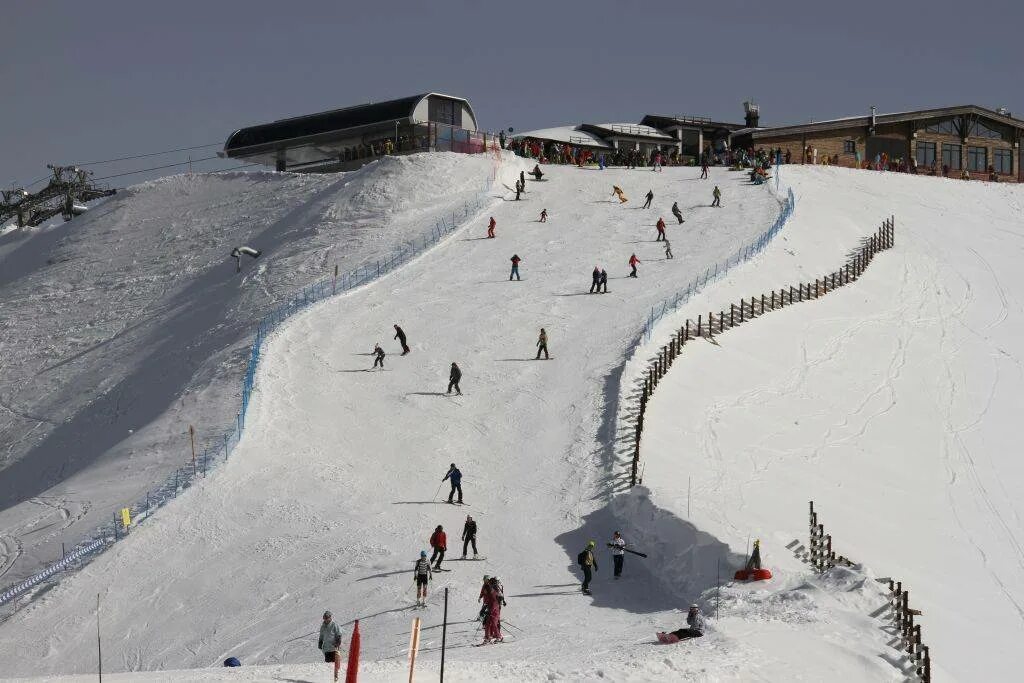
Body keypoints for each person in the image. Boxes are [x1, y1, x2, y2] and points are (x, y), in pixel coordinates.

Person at [318, 610, 343, 682]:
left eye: (327, 618)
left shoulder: (334, 625)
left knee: (334, 665)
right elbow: (321, 635)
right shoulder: (323, 626)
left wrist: (338, 641)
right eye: (324, 618)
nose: (325, 619)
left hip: (334, 648)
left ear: (330, 617)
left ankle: (336, 678)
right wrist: (320, 642)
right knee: (328, 665)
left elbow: (339, 634)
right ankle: (329, 679)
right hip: (326, 648)